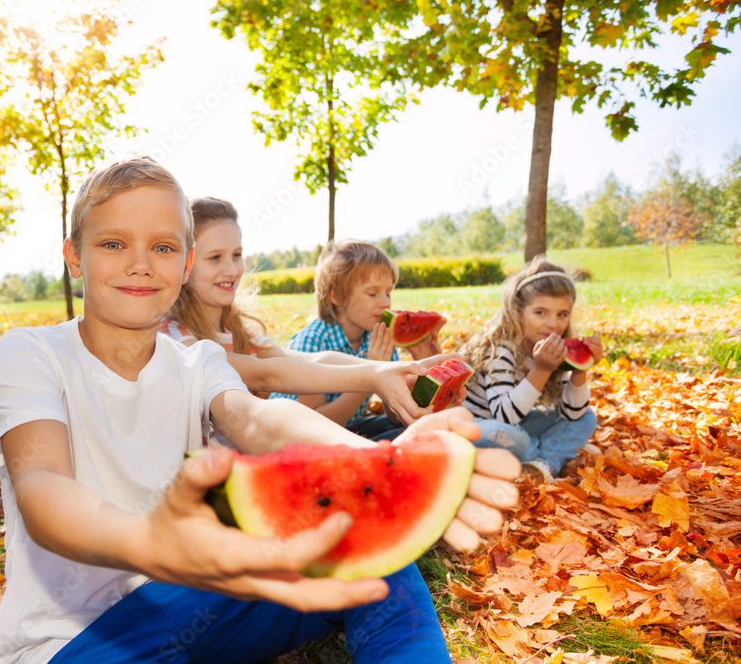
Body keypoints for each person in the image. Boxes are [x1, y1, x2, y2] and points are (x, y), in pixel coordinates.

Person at [0, 155, 521, 664]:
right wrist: (148, 543)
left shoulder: (198, 360)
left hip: (200, 599)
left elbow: (259, 418)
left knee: (367, 530)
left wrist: (376, 461)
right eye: (115, 244)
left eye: (165, 248)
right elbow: (42, 482)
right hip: (74, 641)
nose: (141, 265)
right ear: (75, 254)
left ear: (184, 262)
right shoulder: (30, 352)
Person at [160, 196, 438, 426]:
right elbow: (266, 373)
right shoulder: (178, 339)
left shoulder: (241, 333)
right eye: (215, 258)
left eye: (237, 254)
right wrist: (372, 376)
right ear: (186, 262)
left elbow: (312, 360)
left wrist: (388, 368)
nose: (232, 270)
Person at [271, 240, 450, 440]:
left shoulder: (378, 336)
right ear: (336, 296)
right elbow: (314, 426)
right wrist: (371, 375)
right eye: (372, 293)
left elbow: (394, 416)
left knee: (411, 432)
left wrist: (420, 365)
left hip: (347, 428)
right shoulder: (311, 342)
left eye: (388, 293)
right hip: (293, 435)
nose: (386, 302)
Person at [460, 256, 603, 481]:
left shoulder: (554, 347)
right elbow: (505, 417)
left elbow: (572, 413)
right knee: (512, 436)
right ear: (518, 312)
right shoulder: (501, 349)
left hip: (517, 424)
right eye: (540, 313)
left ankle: (537, 466)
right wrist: (542, 369)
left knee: (587, 417)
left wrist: (579, 371)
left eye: (562, 314)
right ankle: (553, 454)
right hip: (476, 427)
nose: (553, 324)